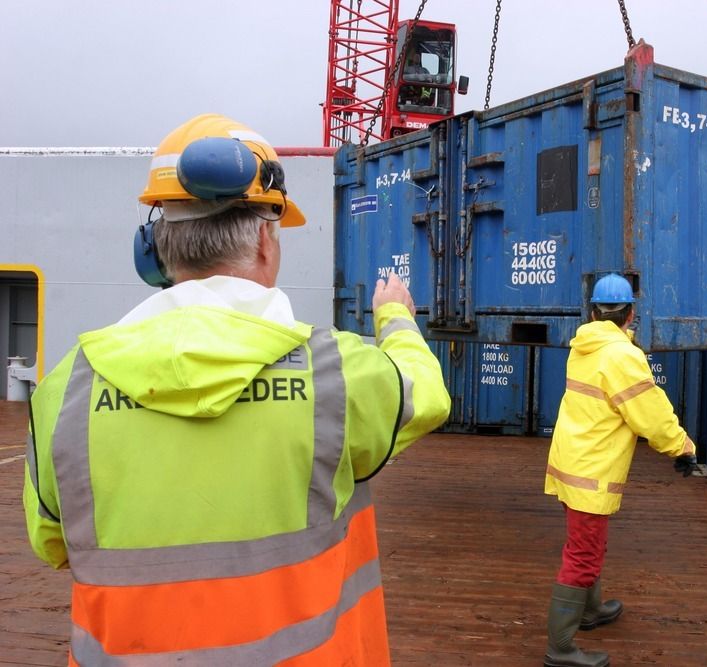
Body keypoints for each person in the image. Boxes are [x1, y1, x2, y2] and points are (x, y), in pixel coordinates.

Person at [22, 113, 451, 665]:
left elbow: (52, 544)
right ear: (267, 241)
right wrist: (396, 320)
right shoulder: (338, 375)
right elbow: (427, 395)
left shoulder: (65, 391)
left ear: (153, 249)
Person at [542, 273, 698, 667]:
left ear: (594, 311)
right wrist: (681, 447)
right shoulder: (622, 355)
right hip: (591, 470)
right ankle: (560, 649)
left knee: (589, 544)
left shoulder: (584, 346)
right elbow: (650, 413)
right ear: (631, 313)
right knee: (583, 554)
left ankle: (590, 612)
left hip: (571, 461)